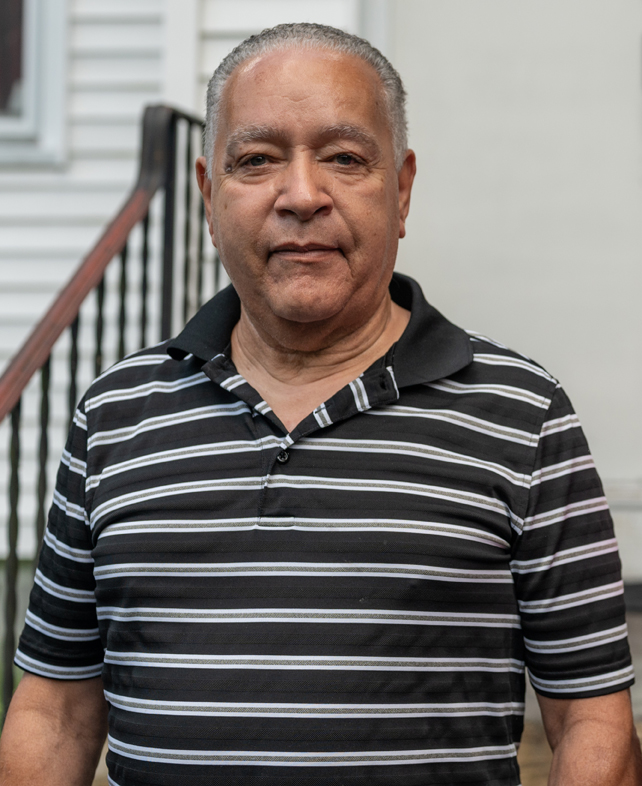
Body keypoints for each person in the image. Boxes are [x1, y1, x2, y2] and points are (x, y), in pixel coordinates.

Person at [0, 22, 640, 786]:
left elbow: (593, 722)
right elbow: (56, 712)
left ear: (401, 188)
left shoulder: (523, 415)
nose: (302, 196)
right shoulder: (115, 416)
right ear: (207, 193)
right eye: (257, 160)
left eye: (343, 157)